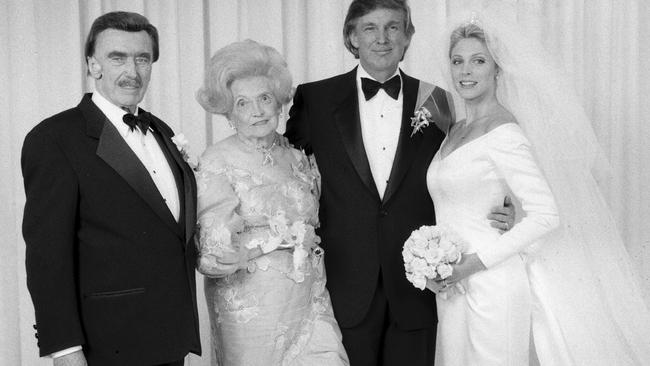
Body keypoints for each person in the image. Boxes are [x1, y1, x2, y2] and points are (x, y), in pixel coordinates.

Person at [285, 0, 514, 364]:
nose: (382, 38)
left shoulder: (437, 100)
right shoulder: (315, 98)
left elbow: (460, 169)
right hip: (345, 282)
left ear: (408, 37)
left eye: (393, 27)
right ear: (352, 37)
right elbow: (284, 171)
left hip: (419, 284)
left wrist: (505, 200)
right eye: (370, 28)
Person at [427, 8, 650, 365]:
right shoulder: (454, 131)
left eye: (478, 60)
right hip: (452, 286)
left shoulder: (505, 131)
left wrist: (472, 264)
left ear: (497, 68)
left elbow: (546, 215)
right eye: (458, 61)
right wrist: (432, 264)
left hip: (492, 281)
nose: (465, 71)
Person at [21, 11, 201, 366]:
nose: (131, 72)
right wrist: (65, 349)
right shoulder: (55, 138)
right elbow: (47, 258)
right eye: (117, 58)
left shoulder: (161, 130)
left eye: (142, 59)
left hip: (171, 340)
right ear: (93, 64)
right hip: (106, 345)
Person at [194, 39, 349, 366]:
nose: (257, 111)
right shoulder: (217, 160)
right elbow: (212, 244)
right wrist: (220, 253)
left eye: (265, 98)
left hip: (309, 295)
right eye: (243, 103)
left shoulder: (297, 156)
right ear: (228, 112)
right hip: (254, 306)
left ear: (279, 101)